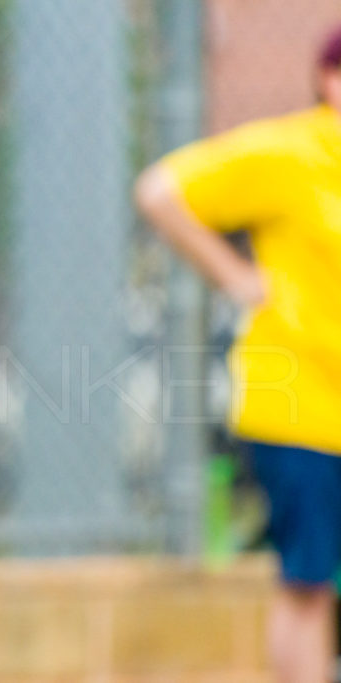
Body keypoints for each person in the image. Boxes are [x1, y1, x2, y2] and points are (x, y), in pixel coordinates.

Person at [134, 24, 341, 683]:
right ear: (326, 79)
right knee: (307, 581)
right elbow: (162, 190)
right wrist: (237, 277)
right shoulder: (289, 152)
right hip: (301, 404)